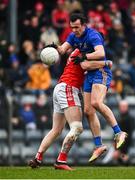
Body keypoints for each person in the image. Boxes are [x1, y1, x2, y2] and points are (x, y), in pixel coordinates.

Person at [50, 13, 127, 163]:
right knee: (88, 111)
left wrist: (85, 56)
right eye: (72, 28)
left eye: (77, 27)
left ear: (84, 25)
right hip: (89, 73)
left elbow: (101, 53)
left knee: (96, 103)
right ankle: (98, 145)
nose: (74, 30)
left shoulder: (93, 35)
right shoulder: (73, 36)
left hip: (100, 71)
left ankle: (119, 132)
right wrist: (53, 49)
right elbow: (62, 50)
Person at [29, 48, 112, 170]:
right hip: (69, 88)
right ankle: (61, 160)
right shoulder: (84, 51)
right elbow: (86, 65)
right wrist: (106, 63)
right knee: (77, 127)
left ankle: (38, 158)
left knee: (56, 129)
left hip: (59, 87)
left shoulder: (77, 50)